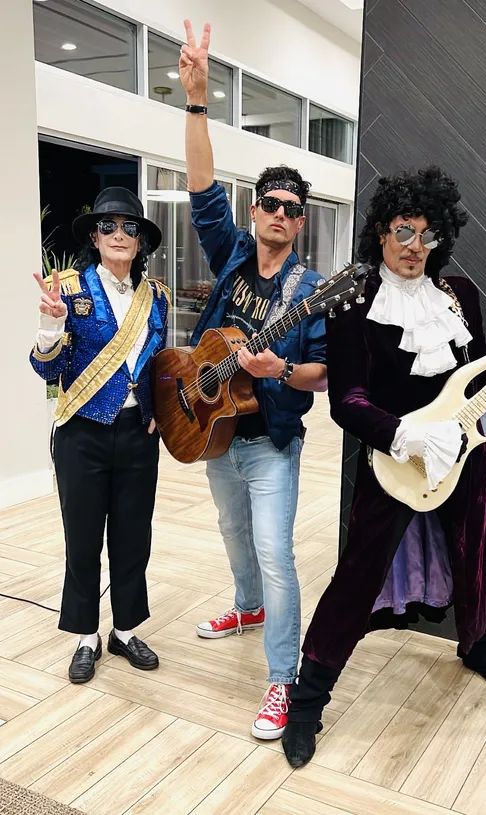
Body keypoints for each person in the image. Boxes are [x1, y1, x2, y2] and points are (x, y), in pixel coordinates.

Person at [281, 166, 486, 768]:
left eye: (428, 234)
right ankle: (306, 704)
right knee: (358, 573)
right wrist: (405, 434)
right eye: (404, 232)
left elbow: (474, 377)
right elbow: (347, 401)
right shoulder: (354, 304)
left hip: (464, 448)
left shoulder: (459, 296)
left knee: (479, 553)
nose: (415, 246)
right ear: (382, 233)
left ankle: (480, 649)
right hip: (396, 455)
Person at [179, 20, 327, 740]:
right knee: (232, 533)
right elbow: (201, 187)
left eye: (292, 210)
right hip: (216, 429)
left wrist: (281, 369)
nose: (279, 215)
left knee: (275, 553)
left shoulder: (313, 289)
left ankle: (282, 680)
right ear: (256, 211)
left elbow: (321, 375)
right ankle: (246, 606)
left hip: (271, 442)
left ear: (300, 224)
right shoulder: (233, 254)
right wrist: (197, 100)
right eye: (270, 204)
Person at [30, 187, 170, 684]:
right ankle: (86, 636)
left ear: (140, 241)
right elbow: (48, 371)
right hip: (82, 435)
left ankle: (125, 630)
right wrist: (50, 327)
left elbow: (161, 365)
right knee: (83, 538)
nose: (118, 234)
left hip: (138, 435)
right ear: (94, 236)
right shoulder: (69, 290)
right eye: (108, 226)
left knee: (134, 537)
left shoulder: (158, 297)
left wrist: (159, 412)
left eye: (129, 227)